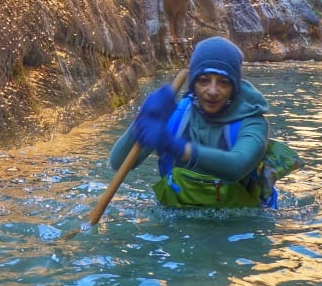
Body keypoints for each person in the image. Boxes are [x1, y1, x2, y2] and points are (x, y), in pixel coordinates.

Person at [109, 36, 298, 208]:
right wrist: (142, 122)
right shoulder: (176, 116)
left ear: (235, 86)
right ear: (192, 84)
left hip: (238, 229)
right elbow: (118, 163)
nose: (213, 91)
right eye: (204, 80)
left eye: (223, 82)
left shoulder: (252, 122)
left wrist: (175, 147)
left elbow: (236, 166)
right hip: (178, 223)